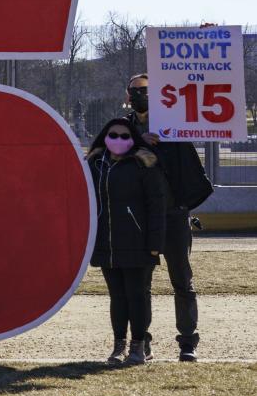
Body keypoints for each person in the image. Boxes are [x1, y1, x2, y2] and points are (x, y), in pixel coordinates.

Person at [123, 73, 213, 361]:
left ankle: (188, 341)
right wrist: (139, 141)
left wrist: (206, 39)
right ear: (128, 96)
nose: (141, 95)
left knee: (182, 280)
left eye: (146, 90)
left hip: (174, 214)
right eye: (136, 91)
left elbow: (200, 98)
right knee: (141, 283)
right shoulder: (123, 129)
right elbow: (106, 153)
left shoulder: (174, 125)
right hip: (141, 218)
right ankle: (142, 341)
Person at [87, 117, 167, 366]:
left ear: (133, 138)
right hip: (106, 243)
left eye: (124, 136)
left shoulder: (144, 162)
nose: (118, 140)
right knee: (117, 297)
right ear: (104, 136)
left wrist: (155, 242)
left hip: (138, 241)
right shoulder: (94, 164)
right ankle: (118, 345)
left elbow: (157, 204)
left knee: (137, 295)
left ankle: (139, 346)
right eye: (113, 135)